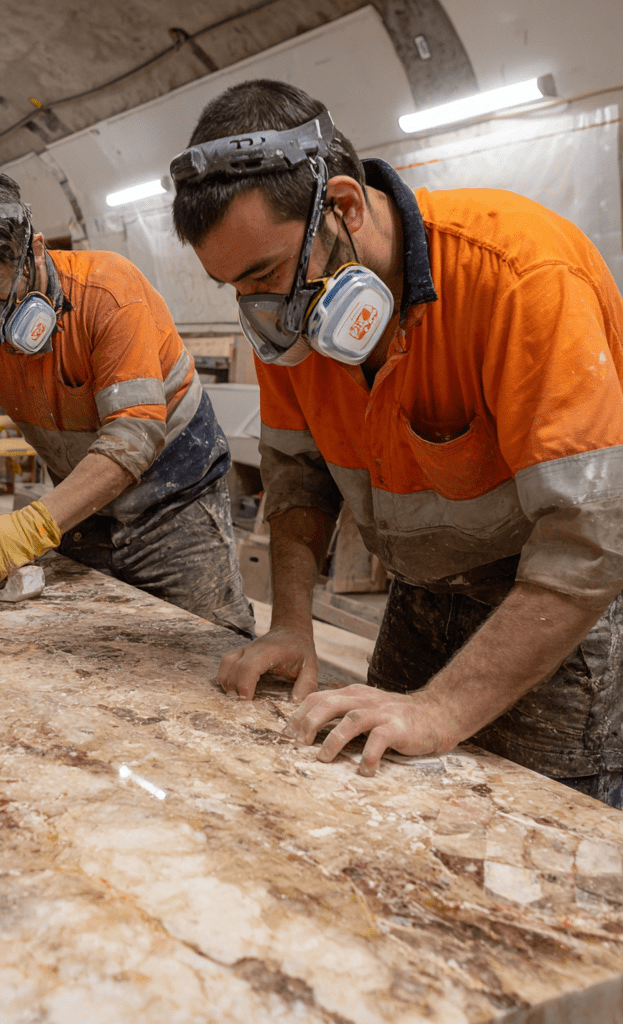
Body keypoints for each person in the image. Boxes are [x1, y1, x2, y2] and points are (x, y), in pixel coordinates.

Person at [171, 78, 623, 807]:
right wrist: (292, 624)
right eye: (232, 286)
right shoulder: (296, 312)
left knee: (541, 846)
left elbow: (592, 539)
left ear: (343, 207)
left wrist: (444, 709)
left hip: (553, 612)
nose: (259, 311)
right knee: (389, 807)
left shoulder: (520, 278)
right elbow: (298, 476)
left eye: (263, 274)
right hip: (418, 600)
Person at [0, 168, 255, 638]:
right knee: (93, 645)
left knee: (203, 645)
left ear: (34, 251)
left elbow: (133, 436)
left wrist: (30, 527)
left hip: (174, 496)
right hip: (85, 499)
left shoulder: (109, 291)